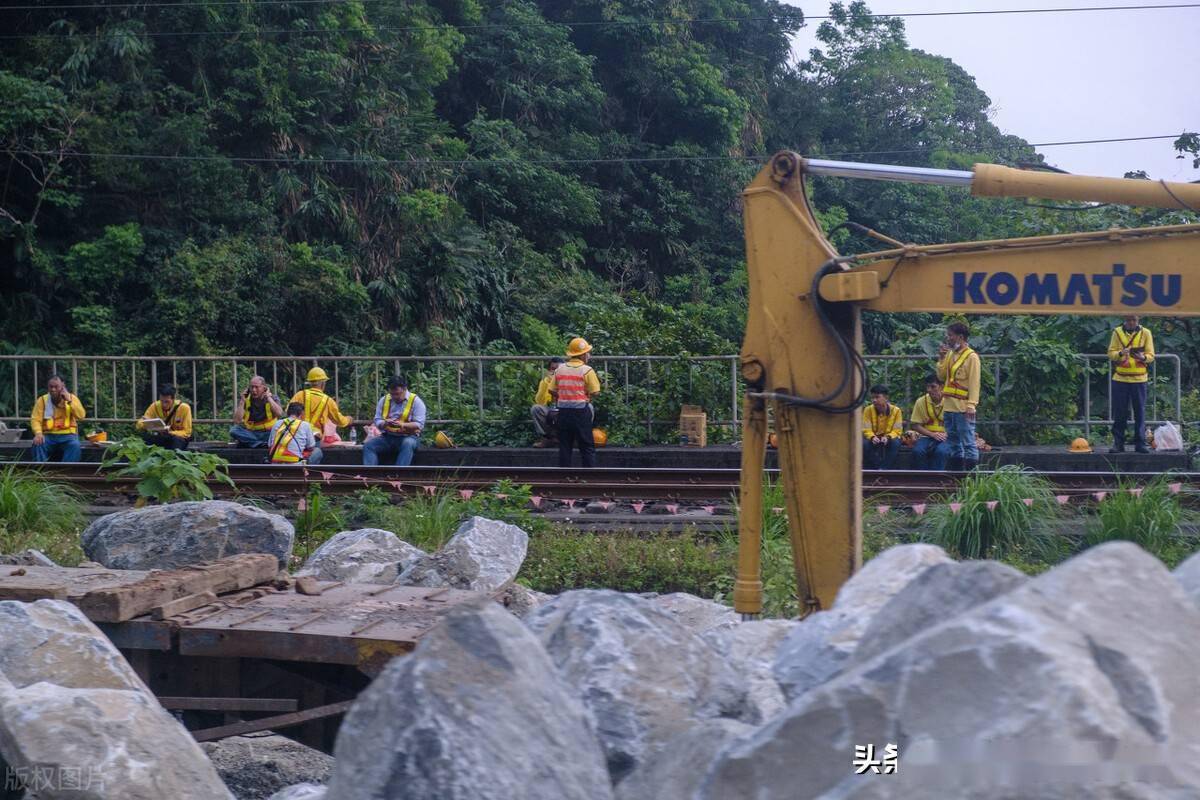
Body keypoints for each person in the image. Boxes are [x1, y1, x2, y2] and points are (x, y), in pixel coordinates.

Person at [937, 320, 981, 471]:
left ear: (960, 337)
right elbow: (942, 376)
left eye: (950, 335)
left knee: (968, 442)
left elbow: (975, 382)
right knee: (953, 442)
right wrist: (941, 359)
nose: (948, 338)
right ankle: (957, 476)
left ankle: (971, 477)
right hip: (949, 406)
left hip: (963, 408)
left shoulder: (972, 357)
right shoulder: (950, 354)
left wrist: (971, 404)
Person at [1107, 314, 1155, 453]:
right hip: (1120, 379)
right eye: (1129, 320)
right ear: (1124, 320)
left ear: (1138, 320)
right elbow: (1111, 353)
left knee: (1140, 412)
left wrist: (1143, 357)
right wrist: (1121, 353)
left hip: (1140, 379)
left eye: (1134, 320)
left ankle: (1140, 444)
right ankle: (1118, 443)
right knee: (1120, 412)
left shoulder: (1146, 333)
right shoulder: (1117, 332)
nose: (1131, 322)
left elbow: (1151, 354)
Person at [551, 337, 601, 468]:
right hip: (581, 412)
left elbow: (552, 390)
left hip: (563, 413)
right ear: (583, 355)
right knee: (586, 446)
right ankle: (589, 477)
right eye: (588, 352)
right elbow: (595, 392)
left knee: (565, 446)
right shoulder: (587, 370)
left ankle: (564, 478)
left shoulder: (559, 369)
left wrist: (564, 397)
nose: (589, 355)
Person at [363, 376, 426, 466]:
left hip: (409, 437)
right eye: (392, 394)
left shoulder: (416, 401)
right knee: (368, 446)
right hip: (388, 437)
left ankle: (398, 474)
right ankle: (370, 475)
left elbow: (419, 424)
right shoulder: (384, 400)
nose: (395, 397)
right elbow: (377, 419)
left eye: (397, 394)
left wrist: (403, 425)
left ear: (404, 389)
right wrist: (385, 423)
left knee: (408, 443)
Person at [29, 375, 86, 463]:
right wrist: (38, 433)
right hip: (48, 436)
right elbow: (35, 419)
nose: (53, 389)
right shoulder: (42, 400)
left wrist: (69, 401)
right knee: (37, 444)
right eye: (51, 387)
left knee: (75, 445)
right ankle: (41, 472)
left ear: (62, 386)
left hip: (68, 436)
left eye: (56, 387)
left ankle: (67, 473)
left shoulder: (71, 398)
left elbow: (81, 416)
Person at [289, 367, 352, 445]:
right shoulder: (328, 401)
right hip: (314, 437)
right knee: (317, 453)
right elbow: (339, 420)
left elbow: (288, 412)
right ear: (323, 383)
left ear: (310, 383)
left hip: (297, 434)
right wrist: (348, 420)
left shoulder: (299, 395)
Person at [910, 374, 951, 470]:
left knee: (941, 452)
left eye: (933, 387)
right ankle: (923, 479)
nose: (929, 390)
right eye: (927, 387)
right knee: (918, 451)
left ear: (941, 387)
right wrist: (932, 434)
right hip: (926, 436)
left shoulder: (951, 401)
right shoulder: (921, 401)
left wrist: (947, 434)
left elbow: (957, 424)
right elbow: (915, 425)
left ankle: (937, 479)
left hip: (947, 436)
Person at [230, 376, 284, 448]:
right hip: (251, 433)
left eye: (256, 387)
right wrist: (242, 401)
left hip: (268, 433)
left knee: (281, 433)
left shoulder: (273, 398)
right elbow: (237, 420)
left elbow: (279, 414)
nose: (254, 390)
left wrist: (268, 398)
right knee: (234, 430)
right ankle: (259, 444)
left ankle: (254, 443)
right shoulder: (246, 399)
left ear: (264, 388)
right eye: (251, 387)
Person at [135, 384, 192, 450]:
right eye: (161, 401)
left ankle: (175, 459)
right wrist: (147, 424)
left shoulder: (184, 408)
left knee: (176, 441)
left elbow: (187, 432)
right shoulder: (155, 406)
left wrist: (169, 433)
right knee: (144, 439)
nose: (164, 404)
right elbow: (139, 424)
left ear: (173, 399)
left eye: (167, 402)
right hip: (162, 437)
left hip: (177, 438)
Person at [862, 385, 902, 469]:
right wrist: (872, 437)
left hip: (889, 437)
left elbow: (897, 430)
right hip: (874, 437)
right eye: (872, 398)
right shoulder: (868, 410)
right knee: (865, 444)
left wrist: (888, 437)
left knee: (896, 443)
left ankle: (884, 468)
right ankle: (877, 468)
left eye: (877, 397)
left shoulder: (896, 411)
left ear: (886, 398)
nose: (874, 400)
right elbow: (866, 428)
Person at [531, 356, 565, 447]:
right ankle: (548, 438)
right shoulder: (545, 381)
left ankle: (572, 439)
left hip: (566, 409)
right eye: (553, 369)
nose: (555, 372)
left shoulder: (567, 380)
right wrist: (547, 384)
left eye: (558, 369)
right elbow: (539, 401)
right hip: (550, 409)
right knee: (536, 409)